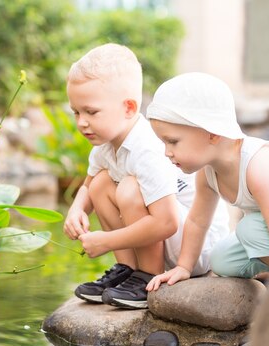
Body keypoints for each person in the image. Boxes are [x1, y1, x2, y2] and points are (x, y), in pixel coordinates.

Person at [63, 45, 229, 309]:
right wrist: (76, 209)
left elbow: (166, 223)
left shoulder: (147, 149)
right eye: (76, 112)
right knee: (101, 183)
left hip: (195, 247)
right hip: (167, 240)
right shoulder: (105, 145)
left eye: (91, 112)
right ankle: (128, 270)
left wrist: (106, 241)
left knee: (129, 187)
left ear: (129, 108)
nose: (82, 122)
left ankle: (147, 276)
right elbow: (88, 185)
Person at [145, 72, 269, 290]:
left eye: (172, 142)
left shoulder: (258, 166)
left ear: (212, 133)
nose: (166, 152)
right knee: (221, 260)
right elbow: (197, 221)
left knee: (249, 229)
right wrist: (184, 267)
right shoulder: (208, 172)